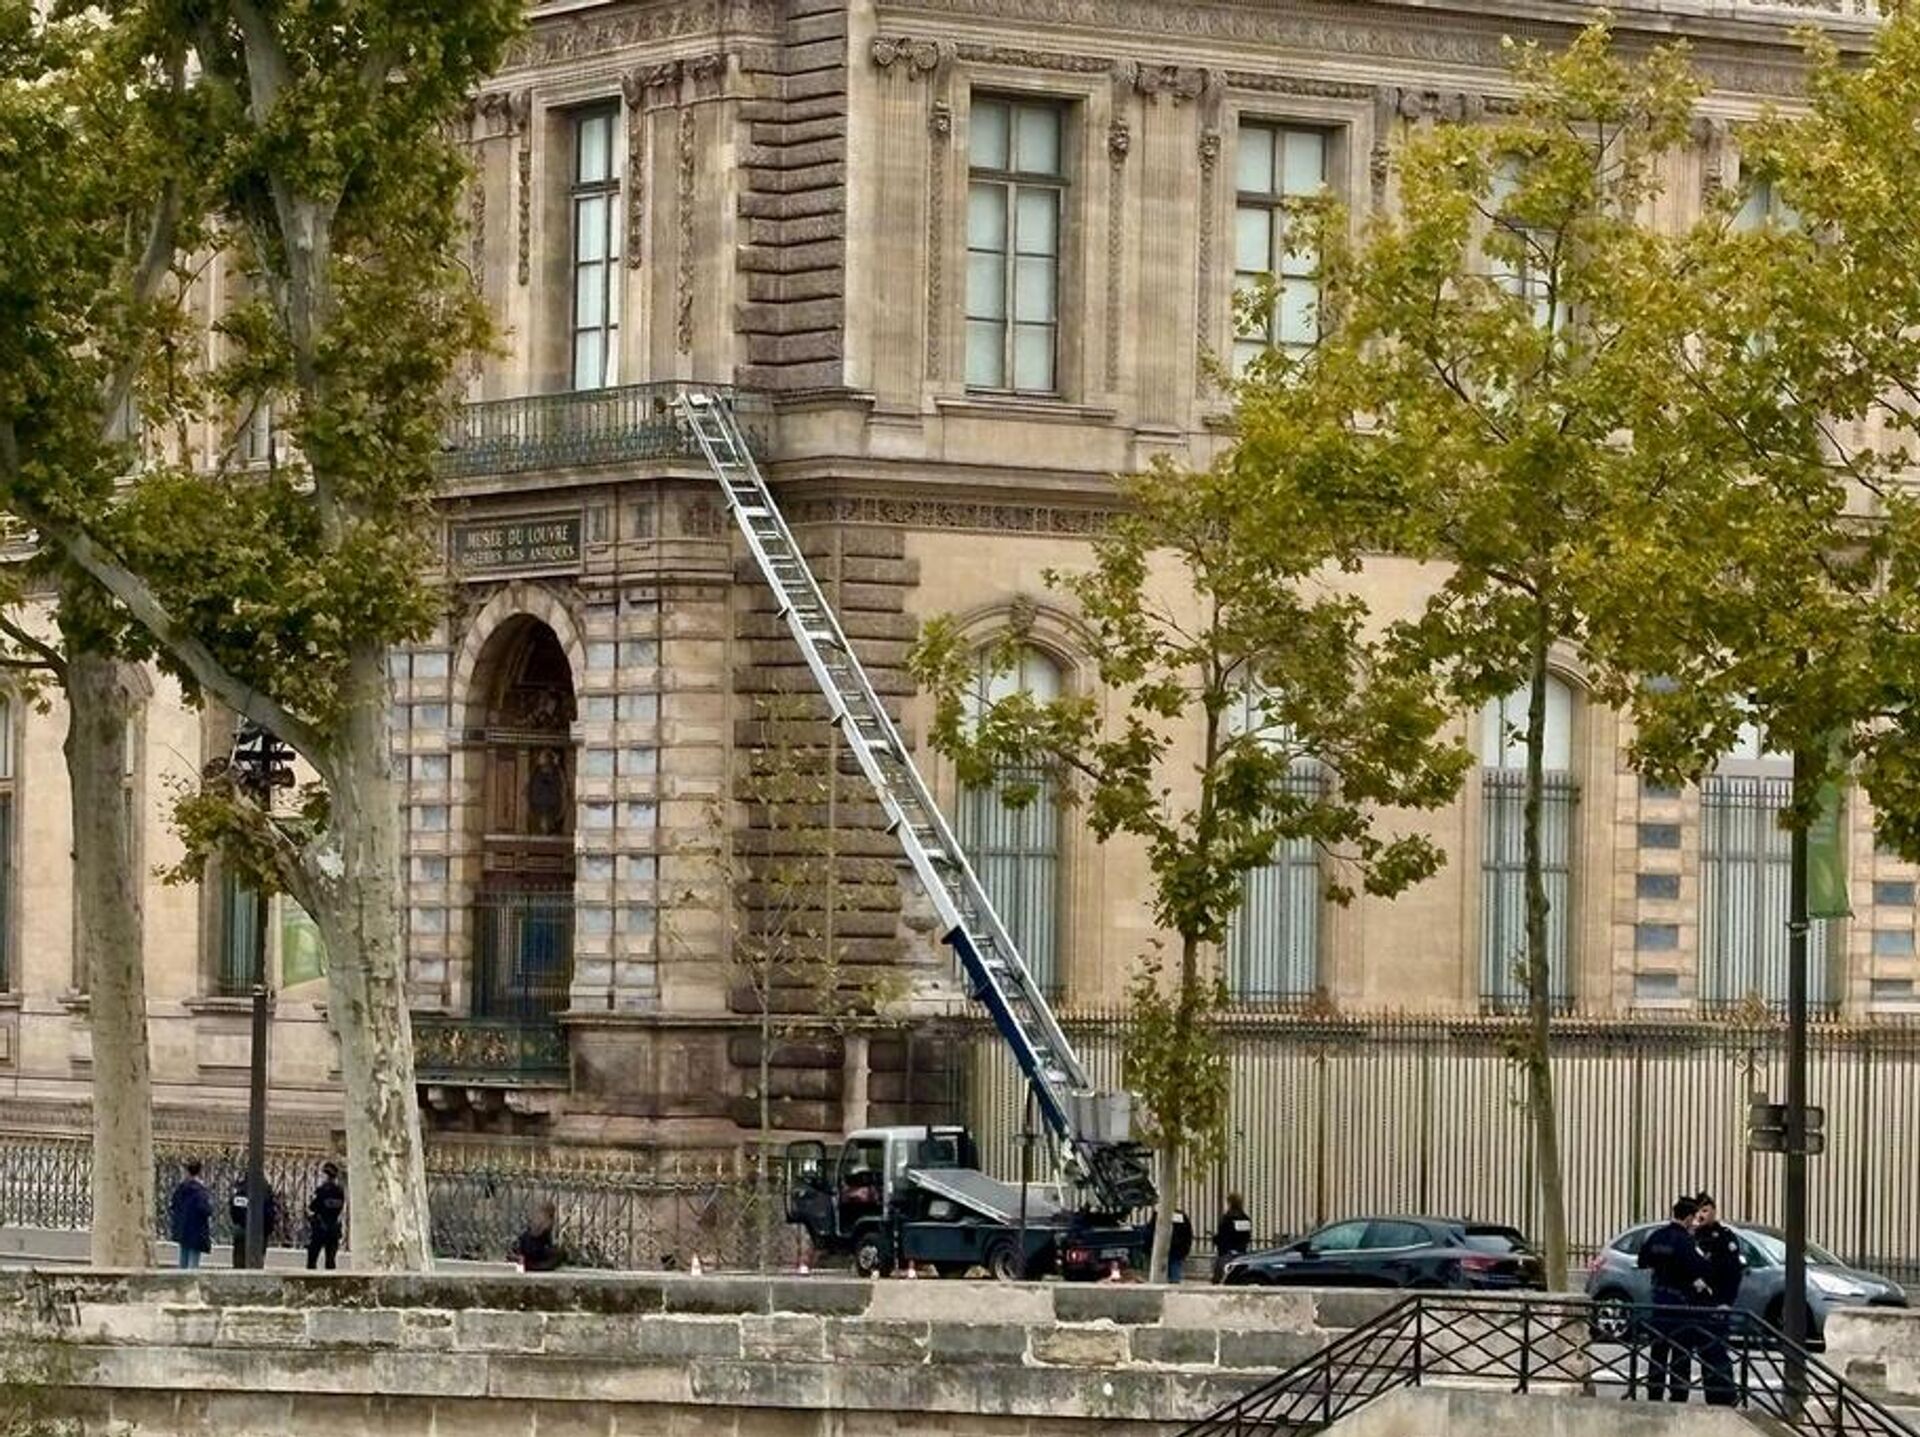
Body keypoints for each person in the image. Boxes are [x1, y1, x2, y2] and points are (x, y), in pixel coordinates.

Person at [1637, 1195, 1713, 1402]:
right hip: (1681, 1304)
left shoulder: (1656, 1236)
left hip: (1658, 1301)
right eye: (1693, 1218)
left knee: (1658, 1352)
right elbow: (1700, 1268)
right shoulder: (1685, 1241)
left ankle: (1654, 1393)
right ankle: (1678, 1395)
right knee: (1681, 1354)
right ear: (1688, 1218)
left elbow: (1642, 1261)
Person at [1692, 1192, 1745, 1407]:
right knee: (1704, 1353)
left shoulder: (1724, 1237)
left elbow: (1733, 1273)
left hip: (1717, 1301)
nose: (1701, 1215)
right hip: (1696, 1303)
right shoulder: (1693, 1236)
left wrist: (1726, 1302)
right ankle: (1712, 1397)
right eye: (1698, 1211)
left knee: (1717, 1349)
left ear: (1714, 1211)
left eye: (1705, 1210)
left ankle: (1726, 1394)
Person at [168, 1162, 214, 1271]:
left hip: (183, 1229)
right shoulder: (201, 1191)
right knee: (193, 1263)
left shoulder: (181, 1189)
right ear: (200, 1172)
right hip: (197, 1230)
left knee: (183, 1261)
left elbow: (173, 1205)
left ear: (187, 1172)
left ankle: (181, 1279)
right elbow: (206, 1210)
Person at [305, 1163, 347, 1271]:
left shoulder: (321, 1190)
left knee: (312, 1258)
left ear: (326, 1175)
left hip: (320, 1228)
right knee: (330, 1261)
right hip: (333, 1228)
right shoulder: (339, 1192)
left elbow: (312, 1207)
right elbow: (340, 1208)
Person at [229, 1179, 279, 1270]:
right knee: (255, 1264)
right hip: (259, 1232)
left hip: (242, 1230)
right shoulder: (265, 1189)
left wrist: (240, 1222)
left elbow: (234, 1210)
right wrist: (267, 1230)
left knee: (239, 1263)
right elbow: (270, 1214)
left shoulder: (241, 1189)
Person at [513, 1201, 563, 1272]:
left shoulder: (538, 1221)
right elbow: (543, 1239)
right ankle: (538, 1266)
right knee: (559, 1254)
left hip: (530, 1250)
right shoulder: (547, 1222)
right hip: (534, 1250)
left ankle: (532, 1265)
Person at [1213, 1194, 1253, 1284]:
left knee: (1222, 1277)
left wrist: (1215, 1239)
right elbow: (1246, 1236)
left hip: (1226, 1252)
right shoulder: (1245, 1218)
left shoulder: (1227, 1218)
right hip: (1241, 1251)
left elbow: (1223, 1236)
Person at [1168, 1208, 1194, 1285]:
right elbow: (1188, 1233)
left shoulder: (1159, 1215)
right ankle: (1174, 1284)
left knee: (1173, 1266)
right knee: (1175, 1267)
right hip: (1178, 1248)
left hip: (1173, 1248)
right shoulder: (1181, 1216)